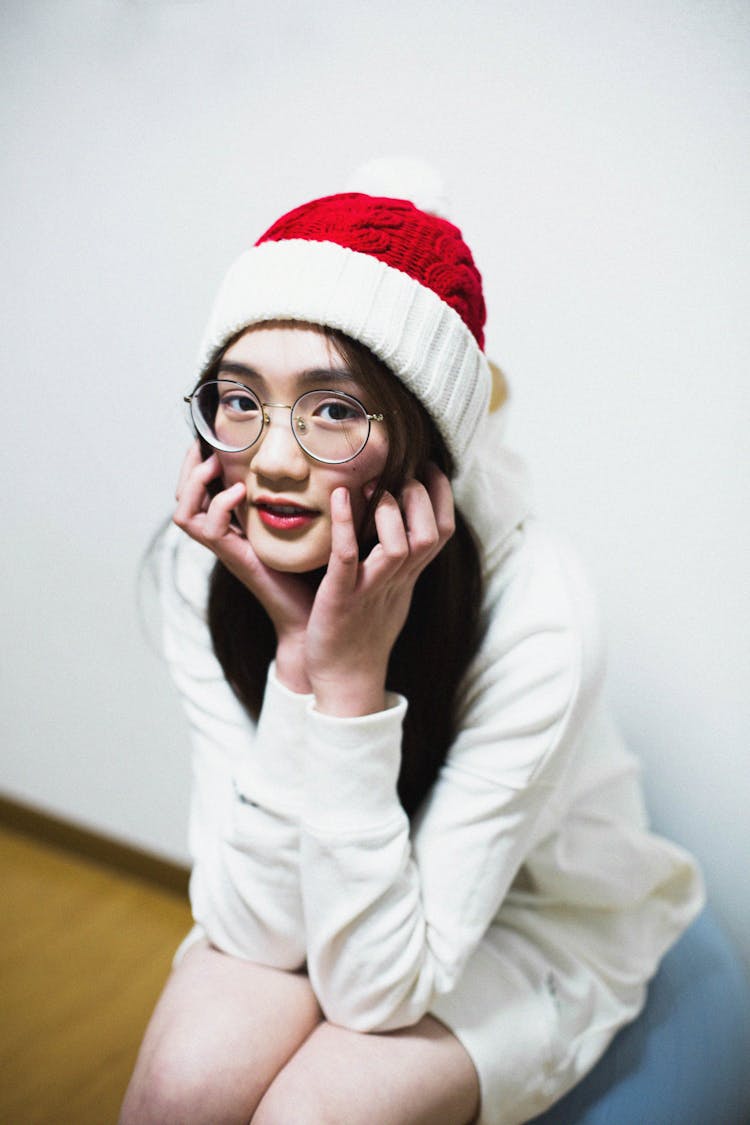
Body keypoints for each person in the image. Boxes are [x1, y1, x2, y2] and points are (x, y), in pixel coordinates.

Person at [121, 181, 704, 1125]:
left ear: (421, 436)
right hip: (319, 885)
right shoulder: (210, 565)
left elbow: (374, 994)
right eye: (239, 399)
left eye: (334, 409)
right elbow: (253, 928)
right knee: (182, 1088)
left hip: (523, 916)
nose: (270, 459)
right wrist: (296, 657)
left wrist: (348, 685)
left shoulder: (538, 611)